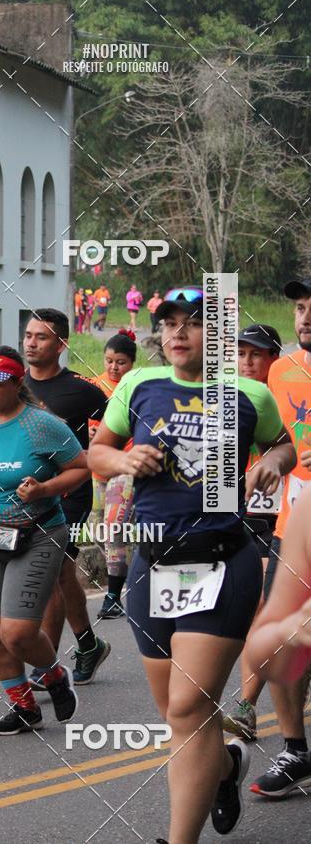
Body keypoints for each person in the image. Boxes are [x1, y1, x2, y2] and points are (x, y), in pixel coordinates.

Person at [89, 286, 296, 842]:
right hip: (150, 564)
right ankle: (227, 767)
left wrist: (271, 463)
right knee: (180, 717)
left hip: (223, 563)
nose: (179, 332)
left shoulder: (250, 394)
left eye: (195, 322)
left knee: (188, 707)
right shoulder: (137, 385)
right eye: (170, 322)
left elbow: (285, 447)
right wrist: (123, 458)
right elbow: (97, 453)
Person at [0, 346, 89, 735]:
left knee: (17, 633)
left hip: (39, 532)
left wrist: (44, 489)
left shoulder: (41, 425)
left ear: (17, 383)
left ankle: (56, 677)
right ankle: (24, 705)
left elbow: (81, 469)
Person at [23, 309, 110, 687]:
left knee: (54, 571)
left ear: (61, 344)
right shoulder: (16, 385)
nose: (31, 342)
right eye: (28, 335)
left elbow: (117, 429)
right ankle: (88, 644)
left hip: (70, 494)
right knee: (60, 574)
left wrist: (108, 459)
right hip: (26, 493)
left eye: (41, 337)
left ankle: (47, 667)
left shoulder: (81, 389)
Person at [249, 278, 311, 799]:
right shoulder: (280, 369)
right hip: (293, 526)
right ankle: (295, 748)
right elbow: (270, 438)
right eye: (299, 307)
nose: (305, 317)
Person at [222, 324, 282, 740]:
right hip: (248, 515)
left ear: (274, 358)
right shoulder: (226, 401)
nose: (247, 362)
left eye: (256, 355)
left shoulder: (290, 397)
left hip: (292, 513)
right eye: (240, 354)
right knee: (256, 607)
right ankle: (246, 705)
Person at [88, 330, 138, 619]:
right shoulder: (95, 387)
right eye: (109, 360)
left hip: (126, 464)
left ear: (131, 363)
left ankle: (113, 596)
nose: (113, 367)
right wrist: (91, 431)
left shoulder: (138, 387)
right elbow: (87, 422)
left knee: (112, 526)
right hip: (98, 468)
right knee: (96, 528)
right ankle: (134, 566)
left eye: (120, 362)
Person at [245, 485, 311, 687]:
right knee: (266, 611)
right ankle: (246, 704)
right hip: (249, 523)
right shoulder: (225, 452)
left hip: (277, 523)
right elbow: (220, 496)